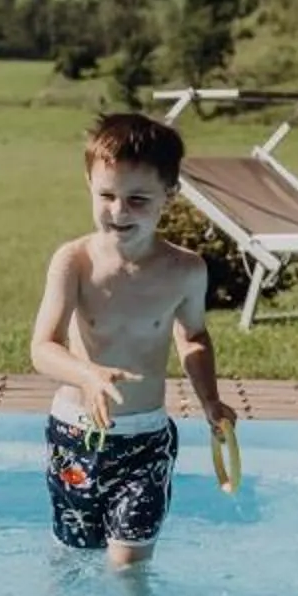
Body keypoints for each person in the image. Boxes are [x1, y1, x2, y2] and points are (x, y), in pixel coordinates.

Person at [28, 111, 238, 565]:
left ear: (170, 195)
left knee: (127, 565)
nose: (119, 212)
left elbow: (194, 335)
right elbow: (42, 348)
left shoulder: (184, 271)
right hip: (75, 434)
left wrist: (210, 399)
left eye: (138, 200)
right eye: (107, 196)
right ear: (89, 183)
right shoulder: (75, 262)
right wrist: (87, 375)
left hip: (145, 438)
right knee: (73, 556)